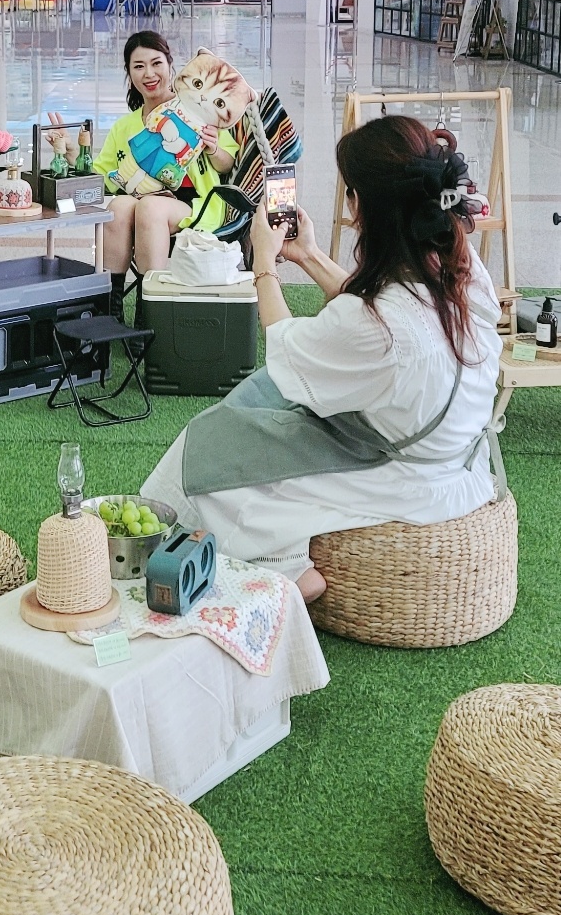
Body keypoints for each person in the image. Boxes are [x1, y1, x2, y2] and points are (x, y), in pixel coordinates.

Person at [142, 116, 503, 603]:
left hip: (401, 475)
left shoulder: (377, 323)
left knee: (208, 450)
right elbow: (374, 319)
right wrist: (309, 254)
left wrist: (263, 262)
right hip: (454, 457)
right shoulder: (458, 265)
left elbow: (288, 348)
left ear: (364, 205)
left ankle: (283, 566)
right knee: (256, 405)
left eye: (349, 192)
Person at [89, 31, 241, 319]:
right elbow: (103, 177)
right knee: (118, 208)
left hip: (196, 203)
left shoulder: (198, 109)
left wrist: (213, 148)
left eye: (156, 63)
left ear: (171, 65)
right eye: (138, 66)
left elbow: (227, 163)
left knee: (150, 207)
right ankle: (109, 311)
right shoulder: (124, 126)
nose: (149, 73)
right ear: (129, 73)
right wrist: (72, 154)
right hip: (141, 197)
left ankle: (149, 314)